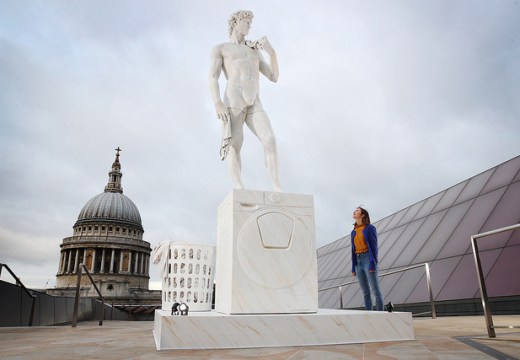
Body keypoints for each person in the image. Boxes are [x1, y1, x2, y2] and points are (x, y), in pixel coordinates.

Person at [209, 10, 282, 192]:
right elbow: (213, 77)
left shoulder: (254, 50)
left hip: (254, 101)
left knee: (270, 139)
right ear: (235, 22)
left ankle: (277, 186)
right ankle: (239, 187)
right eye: (246, 21)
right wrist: (217, 102)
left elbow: (273, 77)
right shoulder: (221, 49)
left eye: (251, 23)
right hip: (234, 98)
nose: (249, 25)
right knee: (235, 144)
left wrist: (272, 53)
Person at [351, 207, 384, 311]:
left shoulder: (370, 228)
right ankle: (369, 315)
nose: (354, 211)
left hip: (367, 259)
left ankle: (380, 315)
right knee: (365, 291)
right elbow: (353, 250)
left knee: (375, 290)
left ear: (363, 214)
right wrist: (353, 267)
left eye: (357, 210)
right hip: (358, 261)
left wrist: (372, 263)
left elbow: (374, 247)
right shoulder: (353, 231)